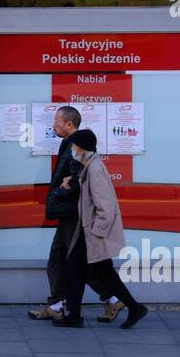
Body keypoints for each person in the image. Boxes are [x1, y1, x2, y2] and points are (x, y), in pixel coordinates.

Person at [28, 106, 121, 322]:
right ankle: (57, 304)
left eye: (57, 121)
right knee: (59, 259)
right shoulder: (68, 144)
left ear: (69, 124)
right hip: (68, 213)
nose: (54, 125)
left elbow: (79, 179)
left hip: (74, 214)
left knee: (76, 262)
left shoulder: (76, 146)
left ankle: (113, 299)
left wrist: (60, 192)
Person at [53, 128, 148, 330]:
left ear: (84, 148)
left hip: (93, 234)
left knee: (103, 274)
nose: (74, 151)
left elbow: (106, 205)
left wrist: (97, 232)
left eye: (76, 147)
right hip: (87, 232)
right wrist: (73, 182)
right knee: (76, 271)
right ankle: (75, 315)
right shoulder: (87, 167)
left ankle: (134, 307)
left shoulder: (95, 169)